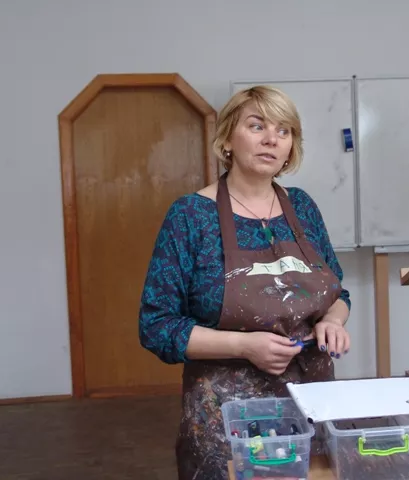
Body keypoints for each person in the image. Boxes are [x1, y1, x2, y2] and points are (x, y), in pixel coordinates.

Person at [138, 85, 352, 479]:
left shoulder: (302, 207)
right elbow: (157, 326)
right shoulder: (190, 216)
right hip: (226, 420)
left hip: (311, 405)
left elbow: (338, 293)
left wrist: (332, 321)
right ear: (227, 139)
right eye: (257, 126)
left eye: (284, 131)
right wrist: (243, 345)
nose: (272, 139)